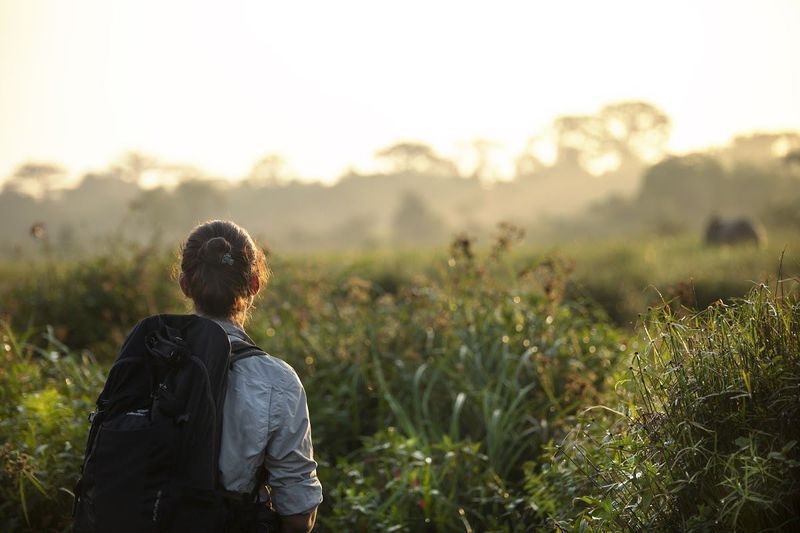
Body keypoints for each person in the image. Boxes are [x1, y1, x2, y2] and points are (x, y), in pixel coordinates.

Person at [178, 220, 322, 532]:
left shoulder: (144, 359)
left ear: (185, 284)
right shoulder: (277, 381)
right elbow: (299, 517)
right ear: (254, 284)